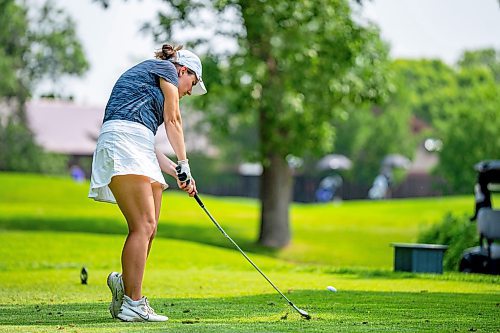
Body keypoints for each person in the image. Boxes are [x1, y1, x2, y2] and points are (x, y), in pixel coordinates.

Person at [88, 44, 206, 322]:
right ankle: (133, 304)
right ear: (183, 70)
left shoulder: (152, 86)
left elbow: (149, 144)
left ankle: (124, 283)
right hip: (122, 140)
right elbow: (173, 119)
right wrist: (185, 162)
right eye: (192, 83)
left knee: (150, 227)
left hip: (136, 142)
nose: (189, 90)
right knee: (142, 225)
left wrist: (177, 171)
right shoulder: (166, 69)